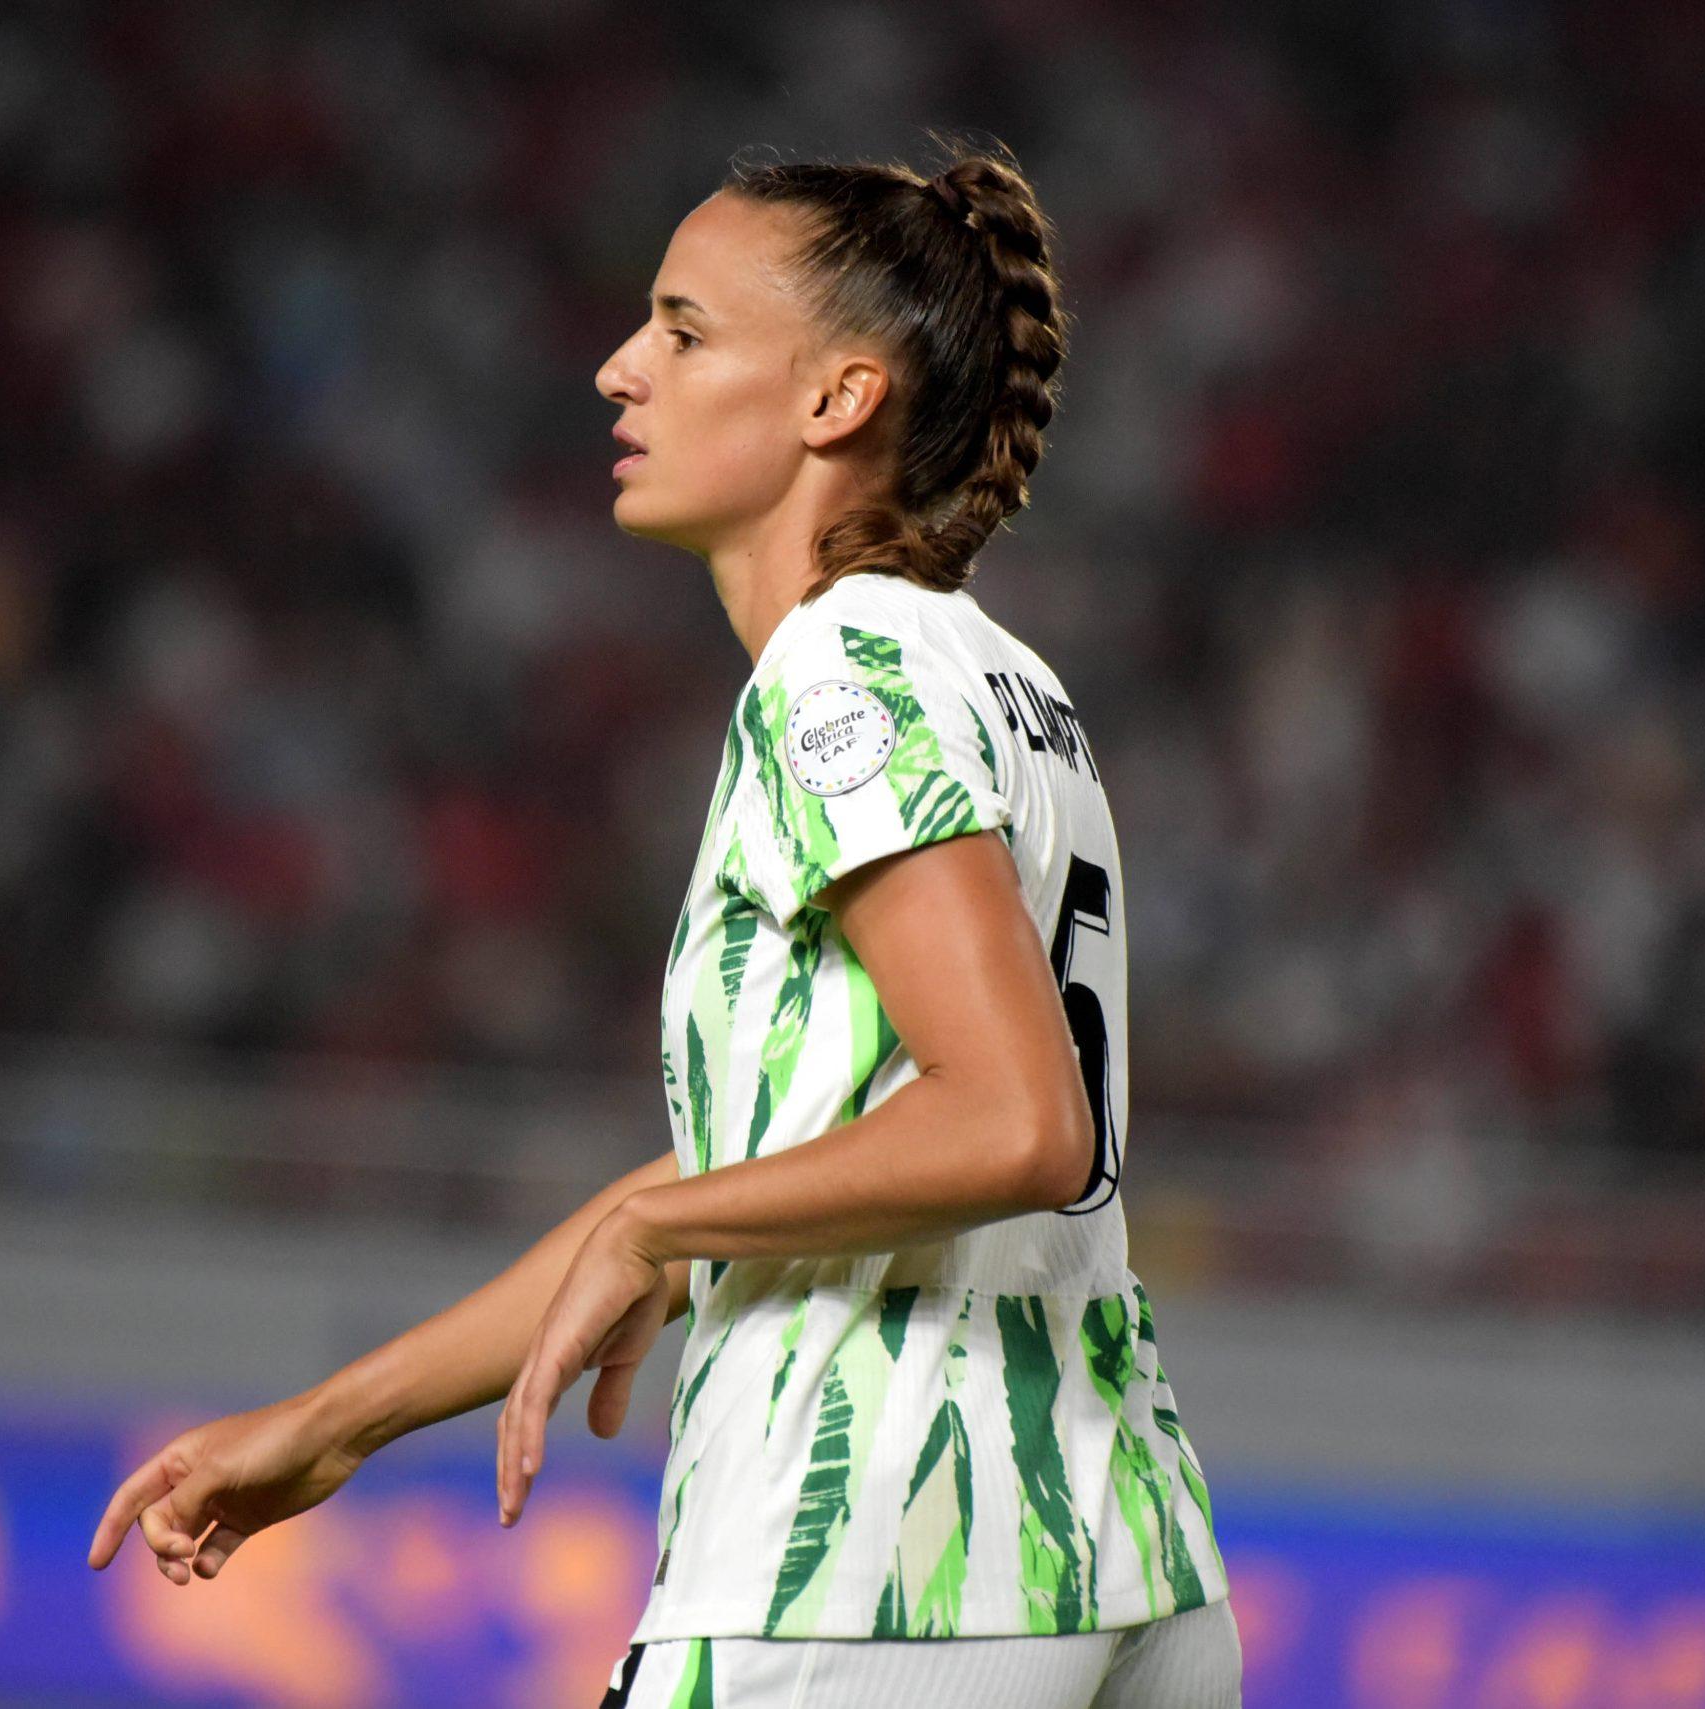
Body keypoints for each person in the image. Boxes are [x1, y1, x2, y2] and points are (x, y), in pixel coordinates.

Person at [89, 138, 1240, 1709]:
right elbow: (776, 1165)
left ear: (838, 400)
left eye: (686, 331)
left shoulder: (839, 678)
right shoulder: (1006, 684)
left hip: (869, 1565)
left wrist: (659, 1229)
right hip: (1117, 1556)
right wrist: (337, 1420)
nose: (621, 368)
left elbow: (1019, 1118)